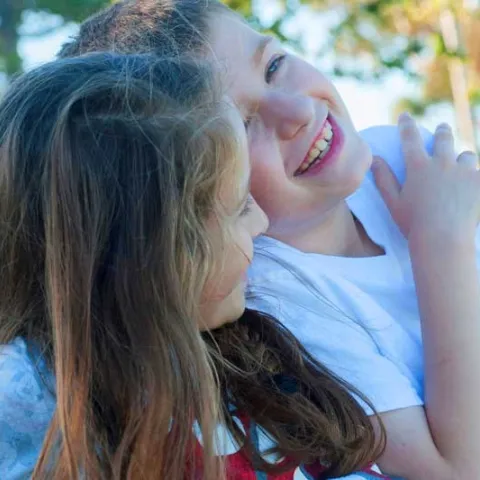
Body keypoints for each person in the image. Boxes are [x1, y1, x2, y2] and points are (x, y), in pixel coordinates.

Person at [56, 1, 480, 478]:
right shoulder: (272, 296)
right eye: (242, 124)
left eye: (275, 66)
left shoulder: (397, 156)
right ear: (195, 199)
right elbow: (455, 467)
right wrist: (442, 244)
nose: (298, 110)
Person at [0, 52, 392, 479]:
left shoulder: (244, 356)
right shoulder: (38, 420)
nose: (261, 224)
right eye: (241, 207)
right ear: (154, 258)